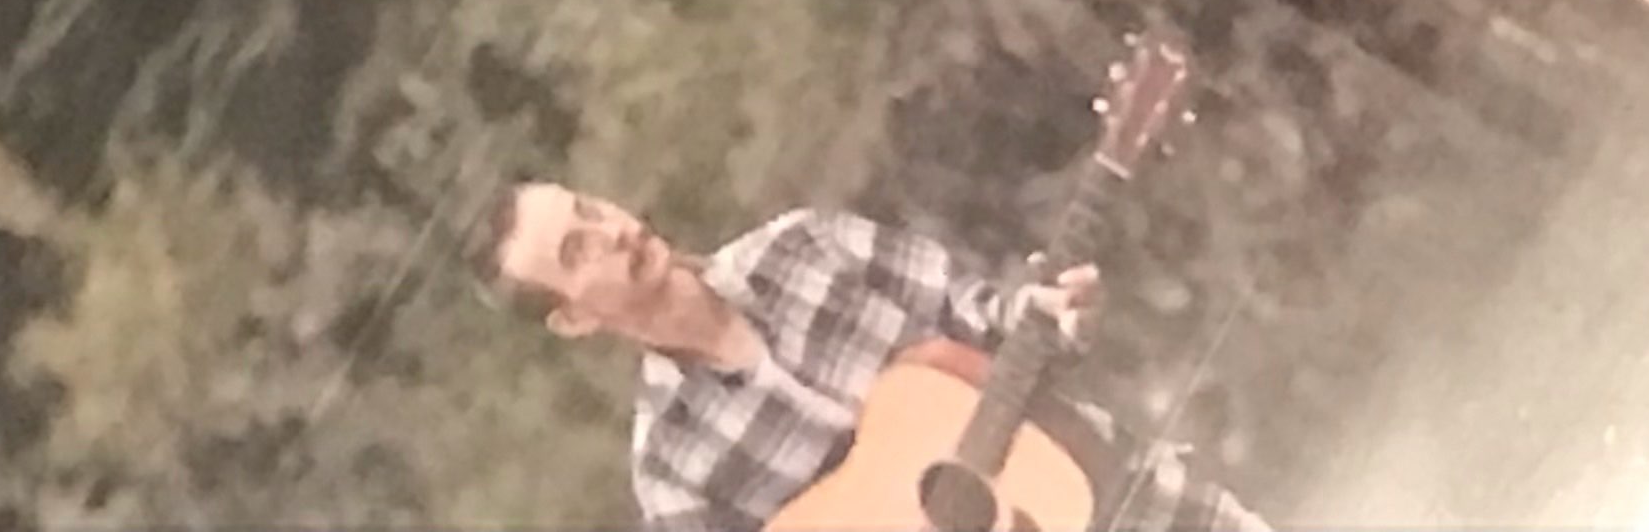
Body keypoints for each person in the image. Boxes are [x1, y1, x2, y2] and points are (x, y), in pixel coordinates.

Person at [477, 181, 1271, 531]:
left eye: (590, 207)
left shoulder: (803, 245)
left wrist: (1045, 312)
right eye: (579, 250)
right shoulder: (674, 473)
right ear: (574, 320)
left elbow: (977, 310)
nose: (614, 231)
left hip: (1119, 492)